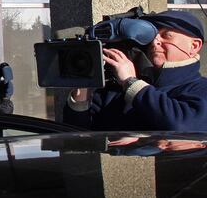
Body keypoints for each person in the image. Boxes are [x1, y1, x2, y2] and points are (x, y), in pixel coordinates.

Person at [64, 10, 207, 131]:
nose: (155, 42)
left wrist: (131, 82)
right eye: (152, 36)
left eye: (166, 35)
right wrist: (82, 90)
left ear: (194, 46)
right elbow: (76, 139)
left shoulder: (201, 89)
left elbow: (181, 126)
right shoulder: (116, 90)